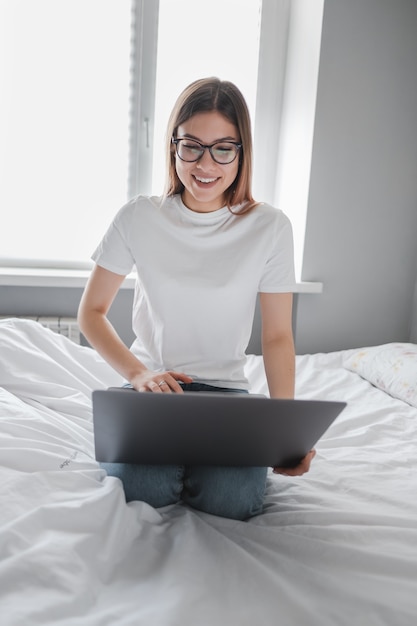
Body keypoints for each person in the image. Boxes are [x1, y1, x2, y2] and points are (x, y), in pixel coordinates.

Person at [78, 77, 315, 520]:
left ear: (242, 152)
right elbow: (91, 313)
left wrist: (285, 432)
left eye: (223, 148)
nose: (206, 164)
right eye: (192, 146)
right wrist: (140, 373)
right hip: (152, 390)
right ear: (174, 146)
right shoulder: (138, 216)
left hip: (226, 395)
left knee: (234, 501)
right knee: (141, 489)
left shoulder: (271, 228)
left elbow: (278, 336)